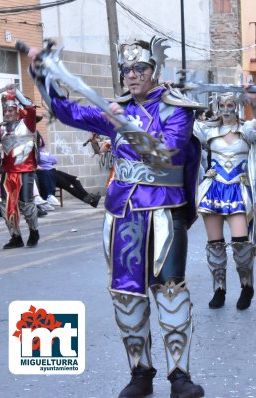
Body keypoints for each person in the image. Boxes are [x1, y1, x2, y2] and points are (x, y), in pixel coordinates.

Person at [27, 37, 205, 398]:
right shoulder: (115, 109)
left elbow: (167, 153)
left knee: (170, 291)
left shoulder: (177, 109)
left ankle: (180, 376)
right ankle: (140, 373)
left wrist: (125, 124)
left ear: (154, 70)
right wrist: (42, 74)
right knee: (126, 295)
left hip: (164, 210)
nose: (133, 75)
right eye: (127, 70)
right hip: (123, 213)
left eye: (140, 68)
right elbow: (66, 112)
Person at [193, 91, 256, 310]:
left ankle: (246, 286)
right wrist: (168, 92)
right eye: (222, 105)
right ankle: (219, 289)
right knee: (215, 245)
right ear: (217, 106)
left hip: (237, 189)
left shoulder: (246, 130)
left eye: (230, 104)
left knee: (241, 243)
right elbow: (180, 122)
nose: (225, 109)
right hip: (213, 189)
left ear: (237, 106)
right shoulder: (208, 129)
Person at [0, 85, 40, 249]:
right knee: (7, 206)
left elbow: (31, 108)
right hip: (7, 172)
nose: (7, 113)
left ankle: (34, 231)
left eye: (10, 110)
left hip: (25, 170)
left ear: (17, 110)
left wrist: (16, 93)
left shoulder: (28, 124)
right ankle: (16, 237)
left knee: (26, 204)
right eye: (5, 111)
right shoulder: (1, 129)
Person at [36, 135, 101, 207]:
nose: (40, 141)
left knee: (75, 179)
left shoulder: (44, 151)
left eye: (40, 139)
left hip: (53, 171)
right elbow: (47, 160)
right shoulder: (36, 152)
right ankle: (91, 200)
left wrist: (47, 159)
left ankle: (89, 198)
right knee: (69, 186)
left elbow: (55, 160)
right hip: (48, 174)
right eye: (38, 140)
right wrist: (48, 159)